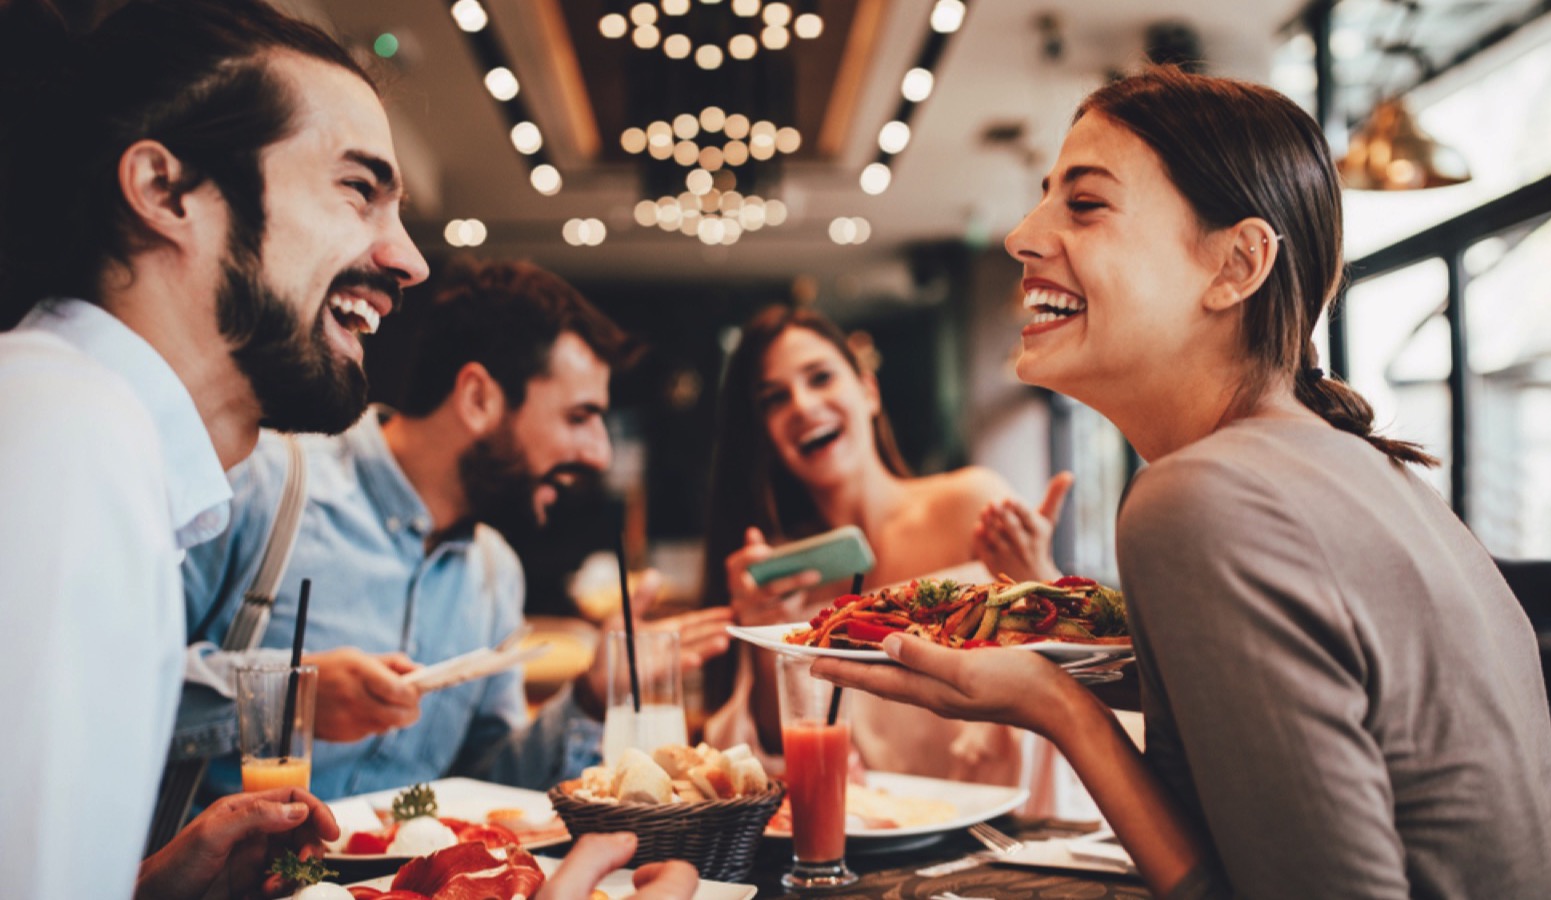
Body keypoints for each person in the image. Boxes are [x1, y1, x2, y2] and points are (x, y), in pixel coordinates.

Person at [812, 66, 1551, 899]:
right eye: (1044, 199)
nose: (1022, 237)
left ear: (1235, 265)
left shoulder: (1201, 495)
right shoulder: (1375, 476)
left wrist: (1061, 709)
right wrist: (1075, 658)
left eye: (1086, 203)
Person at [0, 2, 696, 896]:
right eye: (358, 188)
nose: (408, 259)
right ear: (168, 192)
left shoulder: (100, 441)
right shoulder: (68, 439)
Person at [181, 259, 733, 802]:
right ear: (477, 398)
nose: (599, 452)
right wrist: (290, 698)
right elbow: (112, 684)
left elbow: (491, 786)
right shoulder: (261, 485)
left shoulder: (494, 572)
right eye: (578, 417)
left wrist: (591, 697)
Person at [701, 305, 1072, 786]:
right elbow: (784, 749)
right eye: (774, 399)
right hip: (867, 839)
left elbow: (1067, 685)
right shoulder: (783, 574)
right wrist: (762, 637)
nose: (801, 405)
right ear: (764, 435)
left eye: (820, 378)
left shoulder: (970, 505)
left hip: (1004, 819)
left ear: (868, 391)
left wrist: (1041, 579)